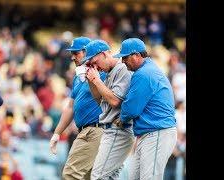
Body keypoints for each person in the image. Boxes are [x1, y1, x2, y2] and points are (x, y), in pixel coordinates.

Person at [114, 38, 177, 179]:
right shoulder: (148, 69)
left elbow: (131, 109)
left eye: (125, 57)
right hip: (150, 132)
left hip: (158, 131)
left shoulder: (144, 73)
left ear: (136, 55)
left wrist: (122, 118)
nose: (122, 61)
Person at [49, 37, 106, 179]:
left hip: (97, 130)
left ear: (88, 52)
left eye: (76, 53)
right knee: (89, 177)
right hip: (85, 131)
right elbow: (70, 107)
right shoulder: (78, 77)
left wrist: (94, 77)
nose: (73, 57)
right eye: (72, 53)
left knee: (71, 174)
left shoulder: (103, 72)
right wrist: (57, 133)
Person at [83, 40, 134, 179]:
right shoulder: (109, 71)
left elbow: (115, 101)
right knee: (109, 177)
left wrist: (97, 81)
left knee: (98, 176)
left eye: (94, 61)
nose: (94, 65)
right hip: (111, 129)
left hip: (119, 130)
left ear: (104, 53)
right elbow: (100, 100)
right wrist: (91, 80)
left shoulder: (122, 68)